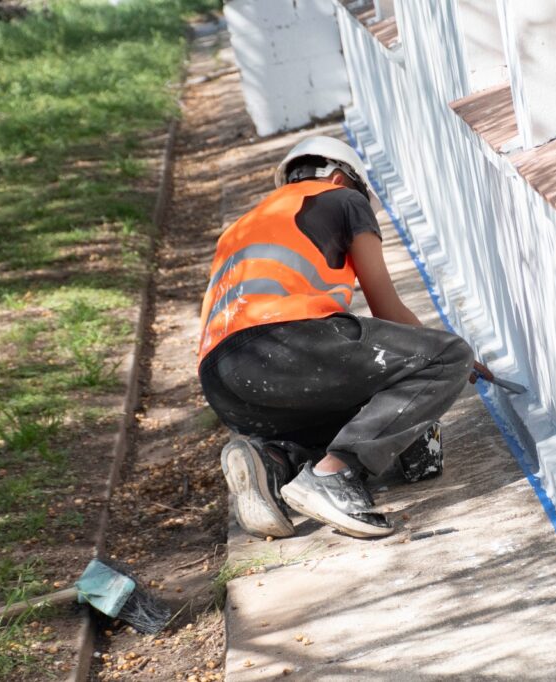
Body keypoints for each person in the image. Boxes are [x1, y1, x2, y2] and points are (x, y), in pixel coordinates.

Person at [197, 136, 492, 539]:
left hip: (223, 381)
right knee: (447, 356)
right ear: (339, 177)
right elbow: (387, 308)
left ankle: (272, 460)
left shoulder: (245, 223)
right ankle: (334, 475)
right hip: (282, 344)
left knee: (357, 411)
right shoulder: (343, 199)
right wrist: (446, 360)